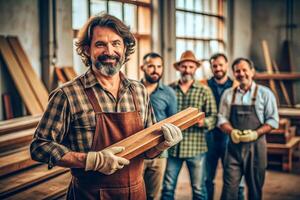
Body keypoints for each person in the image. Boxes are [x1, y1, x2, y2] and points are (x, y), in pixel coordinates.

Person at [30, 13, 183, 200]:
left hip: (135, 193)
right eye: (100, 44)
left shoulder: (139, 91)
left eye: (116, 43)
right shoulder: (67, 95)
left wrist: (162, 144)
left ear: (125, 48)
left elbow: (147, 152)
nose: (110, 51)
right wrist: (90, 160)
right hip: (89, 195)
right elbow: (39, 146)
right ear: (87, 50)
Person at [218, 58, 279, 200]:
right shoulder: (228, 94)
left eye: (244, 70)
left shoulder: (265, 94)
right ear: (233, 74)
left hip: (256, 149)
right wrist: (231, 131)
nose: (241, 73)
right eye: (237, 71)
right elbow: (221, 118)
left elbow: (273, 120)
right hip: (233, 148)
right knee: (229, 190)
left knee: (255, 189)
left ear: (252, 71)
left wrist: (255, 134)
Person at [161, 50, 217, 200]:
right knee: (167, 188)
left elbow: (214, 117)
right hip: (173, 148)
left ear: (195, 69)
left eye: (190, 67)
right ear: (179, 68)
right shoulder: (169, 89)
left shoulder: (204, 90)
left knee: (199, 189)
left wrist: (203, 122)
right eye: (184, 66)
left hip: (196, 147)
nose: (187, 70)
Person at [205, 53, 244, 200]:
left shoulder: (236, 86)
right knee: (208, 177)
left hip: (230, 137)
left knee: (235, 177)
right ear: (211, 67)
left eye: (221, 65)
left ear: (227, 66)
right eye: (215, 66)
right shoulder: (205, 85)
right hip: (209, 137)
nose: (218, 68)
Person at [141, 52, 178, 200]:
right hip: (136, 153)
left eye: (159, 66)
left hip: (160, 153)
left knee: (152, 195)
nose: (155, 70)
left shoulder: (169, 93)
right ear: (142, 67)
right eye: (151, 66)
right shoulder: (132, 89)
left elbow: (173, 122)